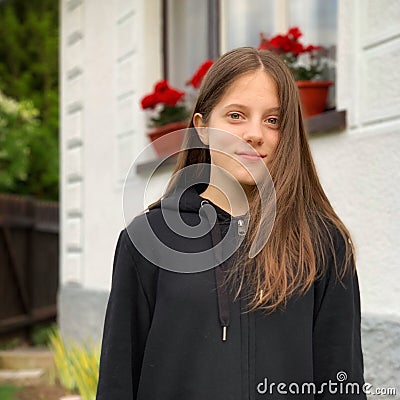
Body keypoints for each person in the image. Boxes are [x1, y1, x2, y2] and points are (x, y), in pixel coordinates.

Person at [96, 47, 366, 399]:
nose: (255, 133)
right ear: (202, 128)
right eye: (237, 116)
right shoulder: (147, 240)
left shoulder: (323, 243)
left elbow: (341, 383)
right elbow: (118, 382)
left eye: (273, 120)